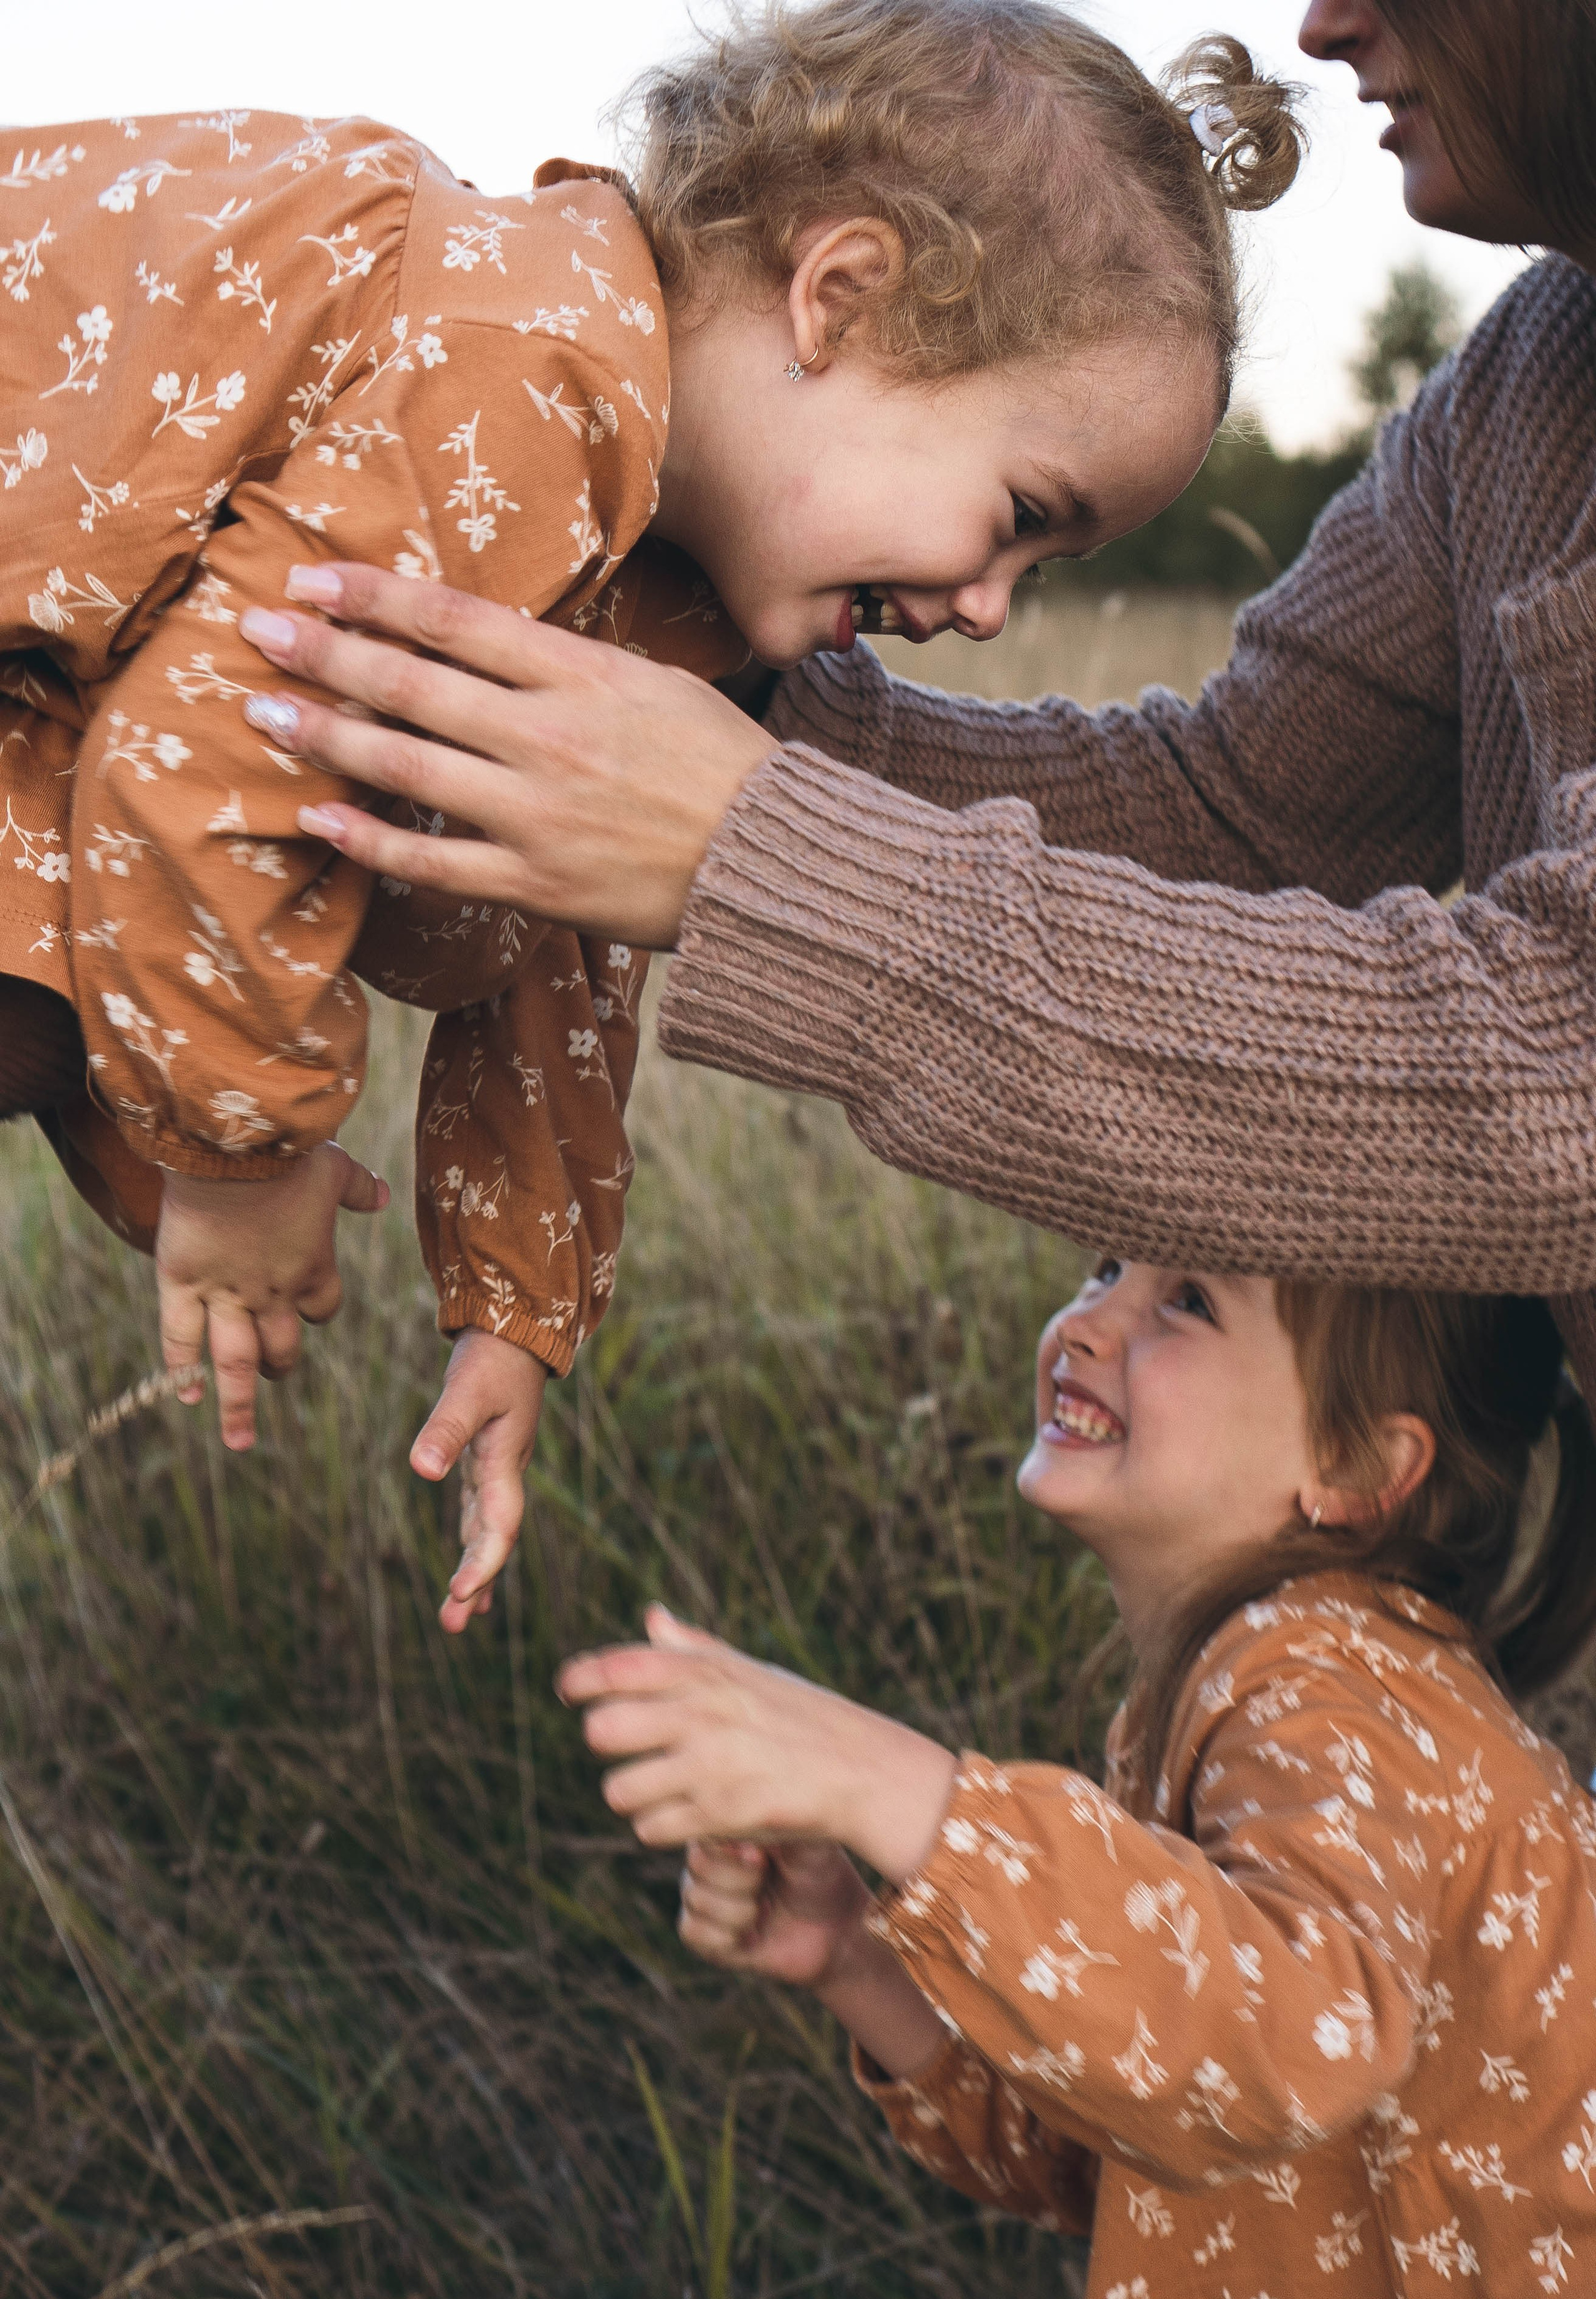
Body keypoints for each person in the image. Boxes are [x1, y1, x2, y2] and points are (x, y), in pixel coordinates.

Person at [0, 6, 1302, 1618]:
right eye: (1021, 518)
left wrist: (514, 1303)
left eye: (1043, 574)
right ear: (839, 298)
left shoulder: (647, 580)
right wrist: (241, 1156)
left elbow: (553, 921)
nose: (985, 608)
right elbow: (199, 765)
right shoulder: (522, 374)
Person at [229, 0, 1596, 1424]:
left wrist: (756, 851)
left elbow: (1567, 1085)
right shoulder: (1524, 380)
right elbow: (1239, 813)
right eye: (1012, 520)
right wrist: (696, 689)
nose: (1323, 23)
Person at [559, 1258, 1596, 2299]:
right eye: (1106, 1266)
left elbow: (1299, 2039)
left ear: (1355, 1467)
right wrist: (856, 1955)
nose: (1087, 1323)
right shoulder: (1272, 1676)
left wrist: (888, 1782)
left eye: (1187, 1301)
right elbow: (1141, 2125)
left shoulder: (1342, 1690)